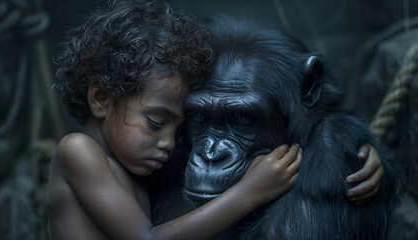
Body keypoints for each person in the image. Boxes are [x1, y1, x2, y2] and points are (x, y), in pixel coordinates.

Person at [47, 0, 383, 239]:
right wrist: (248, 192)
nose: (209, 152)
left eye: (242, 119)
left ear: (308, 91)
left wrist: (350, 145)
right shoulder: (85, 152)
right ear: (102, 99)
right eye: (199, 120)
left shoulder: (145, 146)